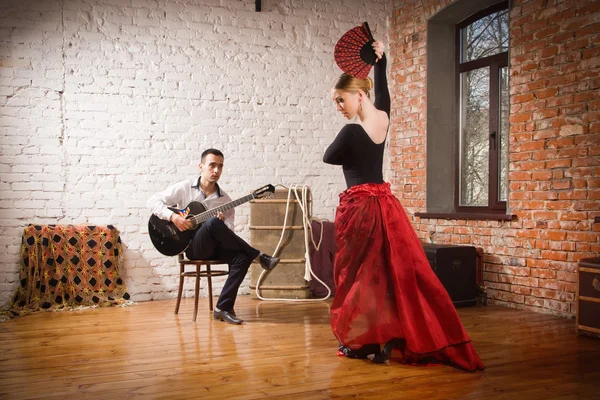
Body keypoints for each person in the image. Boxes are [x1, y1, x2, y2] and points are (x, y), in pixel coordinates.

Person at [323, 40, 484, 371]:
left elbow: (328, 157)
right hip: (385, 205)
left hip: (360, 209)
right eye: (336, 102)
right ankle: (390, 336)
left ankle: (365, 340)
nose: (339, 106)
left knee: (359, 275)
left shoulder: (350, 133)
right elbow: (385, 94)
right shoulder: (382, 120)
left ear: (358, 94)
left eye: (341, 99)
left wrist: (347, 147)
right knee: (390, 272)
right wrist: (381, 61)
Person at [148, 148, 280, 325]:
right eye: (212, 165)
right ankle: (258, 255)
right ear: (201, 166)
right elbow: (152, 201)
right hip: (193, 248)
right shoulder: (185, 187)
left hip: (214, 247)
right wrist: (174, 217)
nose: (216, 171)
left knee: (241, 257)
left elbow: (229, 234)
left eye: (220, 166)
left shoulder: (226, 201)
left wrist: (222, 223)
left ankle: (222, 308)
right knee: (212, 222)